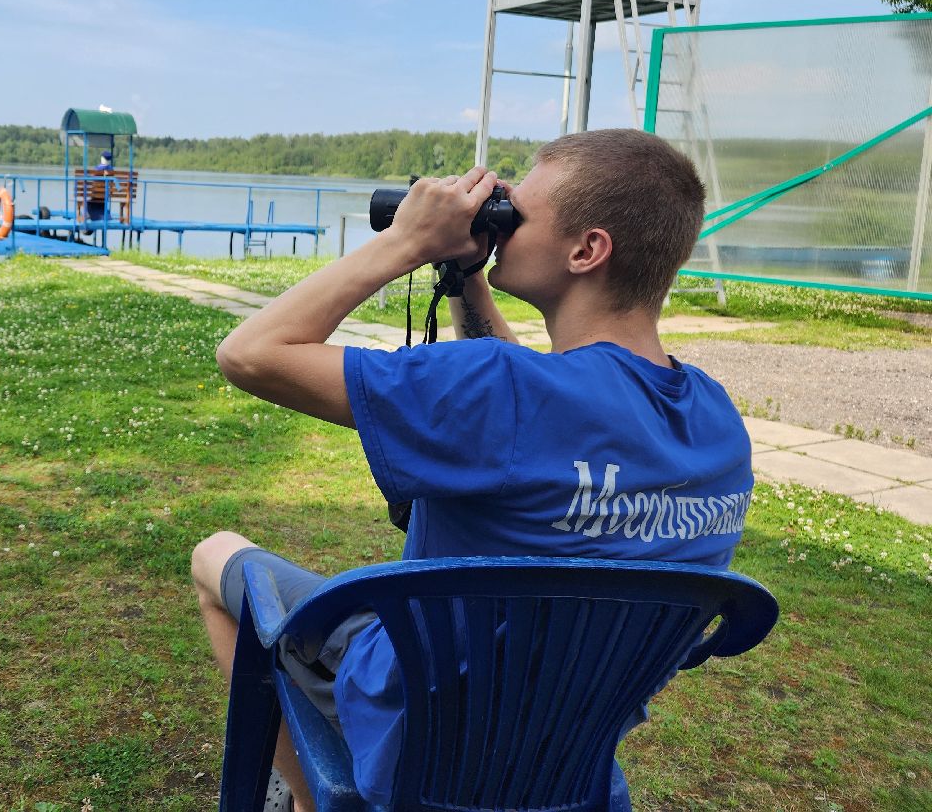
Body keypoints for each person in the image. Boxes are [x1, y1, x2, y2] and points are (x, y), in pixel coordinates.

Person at [191, 129, 752, 810]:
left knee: (214, 556)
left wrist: (407, 243)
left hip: (423, 727)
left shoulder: (499, 391)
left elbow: (249, 353)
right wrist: (465, 277)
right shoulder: (716, 423)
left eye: (516, 210)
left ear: (586, 250)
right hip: (566, 748)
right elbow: (539, 400)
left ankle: (312, 800)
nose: (500, 221)